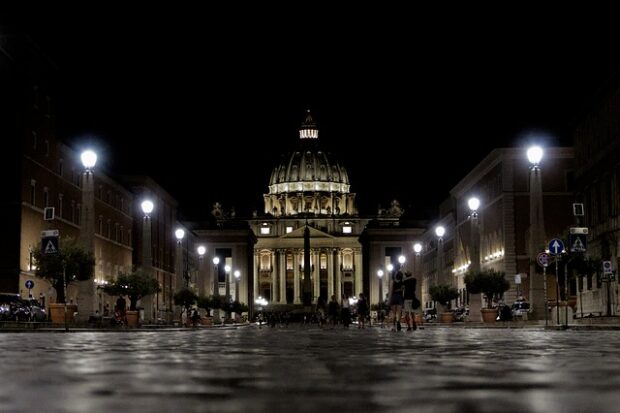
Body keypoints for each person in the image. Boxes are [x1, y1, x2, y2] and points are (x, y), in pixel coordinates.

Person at [388, 264, 405, 331]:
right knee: (399, 312)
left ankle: (393, 326)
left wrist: (389, 299)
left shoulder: (393, 282)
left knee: (394, 313)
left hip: (394, 297)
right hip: (400, 297)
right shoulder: (402, 282)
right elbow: (403, 289)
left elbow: (391, 290)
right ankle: (398, 322)